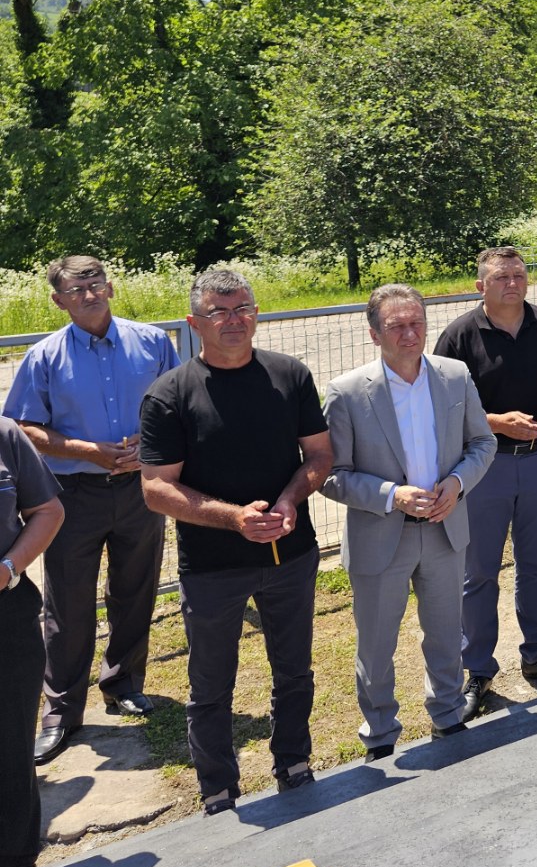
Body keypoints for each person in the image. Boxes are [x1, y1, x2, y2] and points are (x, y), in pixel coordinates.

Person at [138, 269, 333, 816]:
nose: (233, 321)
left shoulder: (289, 375)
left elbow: (319, 457)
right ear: (193, 322)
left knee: (294, 669)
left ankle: (294, 763)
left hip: (290, 554)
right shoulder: (170, 395)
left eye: (242, 308)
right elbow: (156, 488)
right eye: (219, 312)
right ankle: (219, 789)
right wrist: (233, 520)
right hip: (213, 565)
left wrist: (291, 500)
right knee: (211, 684)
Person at [3, 256, 177, 767]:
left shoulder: (152, 343)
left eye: (95, 284)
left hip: (140, 489)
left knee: (135, 587)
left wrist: (149, 445)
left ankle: (124, 682)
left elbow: (178, 404)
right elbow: (24, 428)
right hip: (71, 495)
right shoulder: (44, 356)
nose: (88, 294)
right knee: (68, 605)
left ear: (111, 288)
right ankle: (61, 710)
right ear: (58, 300)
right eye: (75, 289)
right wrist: (89, 450)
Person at [319, 286, 497, 762]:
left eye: (416, 322)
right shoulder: (348, 392)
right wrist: (390, 495)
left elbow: (483, 444)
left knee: (445, 632)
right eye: (396, 326)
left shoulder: (454, 376)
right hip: (381, 538)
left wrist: (457, 484)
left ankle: (448, 714)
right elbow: (330, 475)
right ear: (374, 333)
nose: (410, 334)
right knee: (377, 643)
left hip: (444, 529)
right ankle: (379, 732)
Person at [434, 246, 537, 722]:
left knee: (536, 565)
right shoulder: (460, 335)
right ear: (480, 285)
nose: (513, 284)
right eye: (501, 277)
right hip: (484, 468)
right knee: (478, 572)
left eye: (519, 275)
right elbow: (441, 403)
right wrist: (496, 422)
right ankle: (477, 669)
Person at [0, 419, 64, 867]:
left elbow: (48, 510)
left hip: (7, 613)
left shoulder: (4, 435)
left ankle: (15, 861)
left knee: (10, 740)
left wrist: (8, 567)